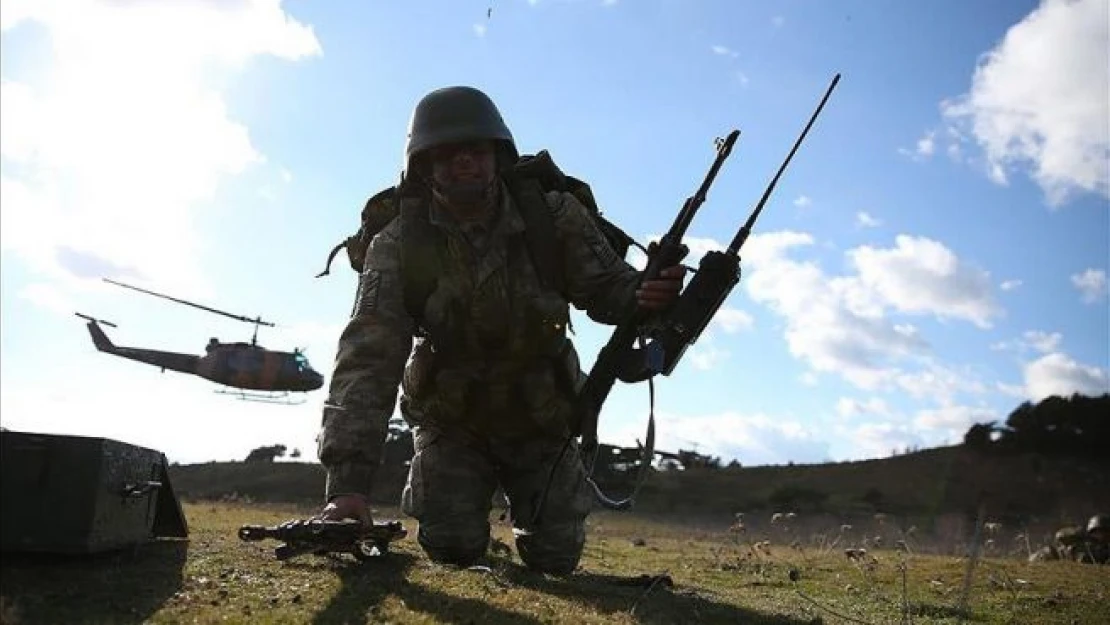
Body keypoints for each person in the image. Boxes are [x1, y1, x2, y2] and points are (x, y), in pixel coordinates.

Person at [314, 85, 686, 575]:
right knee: (451, 549)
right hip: (452, 419)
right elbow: (367, 357)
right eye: (446, 152)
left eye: (476, 148)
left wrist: (646, 292)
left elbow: (610, 292)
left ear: (498, 153)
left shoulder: (552, 216)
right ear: (423, 166)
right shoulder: (400, 242)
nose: (464, 160)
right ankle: (470, 536)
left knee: (555, 559)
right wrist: (347, 487)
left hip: (543, 414)